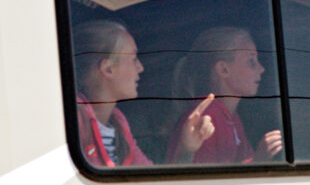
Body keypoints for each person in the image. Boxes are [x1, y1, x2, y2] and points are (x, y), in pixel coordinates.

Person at [73, 20, 213, 167]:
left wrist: (185, 149)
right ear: (108, 69)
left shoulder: (119, 125)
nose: (140, 68)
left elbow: (154, 182)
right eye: (134, 59)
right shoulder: (75, 121)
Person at [166, 26, 283, 164]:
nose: (261, 69)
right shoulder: (208, 117)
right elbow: (209, 180)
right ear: (223, 69)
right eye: (251, 61)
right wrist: (259, 160)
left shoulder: (230, 116)